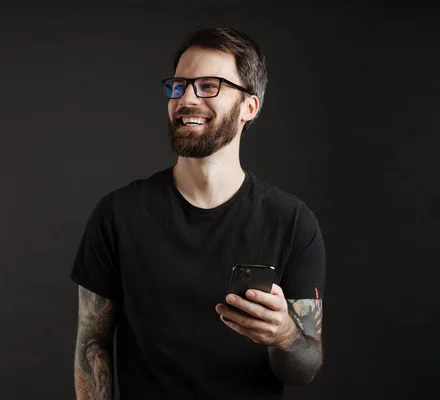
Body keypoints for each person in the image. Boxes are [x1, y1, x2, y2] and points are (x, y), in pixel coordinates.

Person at [69, 27, 325, 400]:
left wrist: (284, 335)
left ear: (249, 107)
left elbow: (305, 369)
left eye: (209, 86)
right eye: (179, 85)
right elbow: (91, 347)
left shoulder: (293, 223)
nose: (186, 98)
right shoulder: (118, 213)